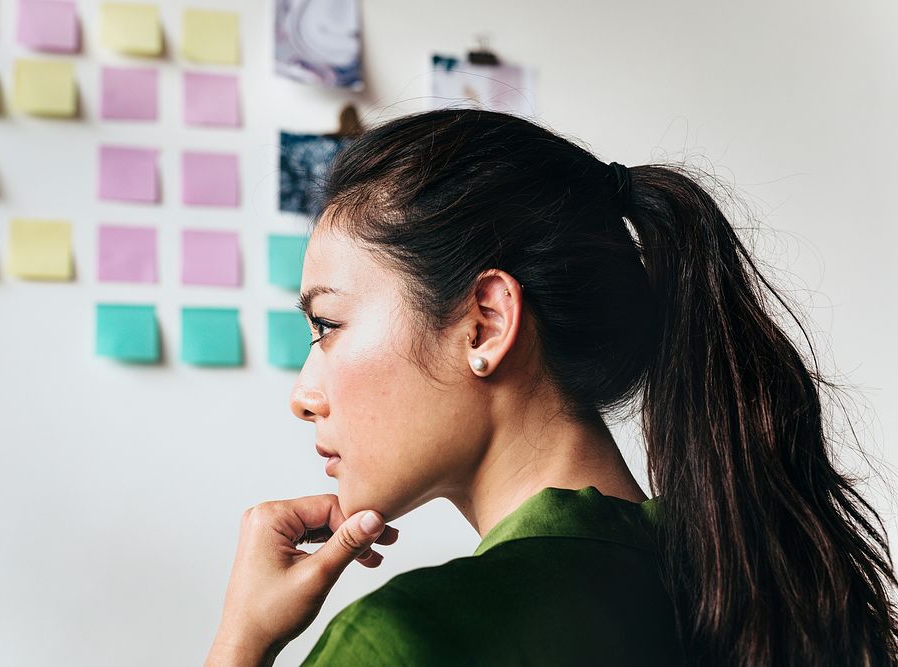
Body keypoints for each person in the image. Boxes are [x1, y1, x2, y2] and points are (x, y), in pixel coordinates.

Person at [204, 109, 898, 666]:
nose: (303, 393)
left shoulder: (405, 640)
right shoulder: (753, 589)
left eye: (327, 324)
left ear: (486, 323)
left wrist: (241, 644)